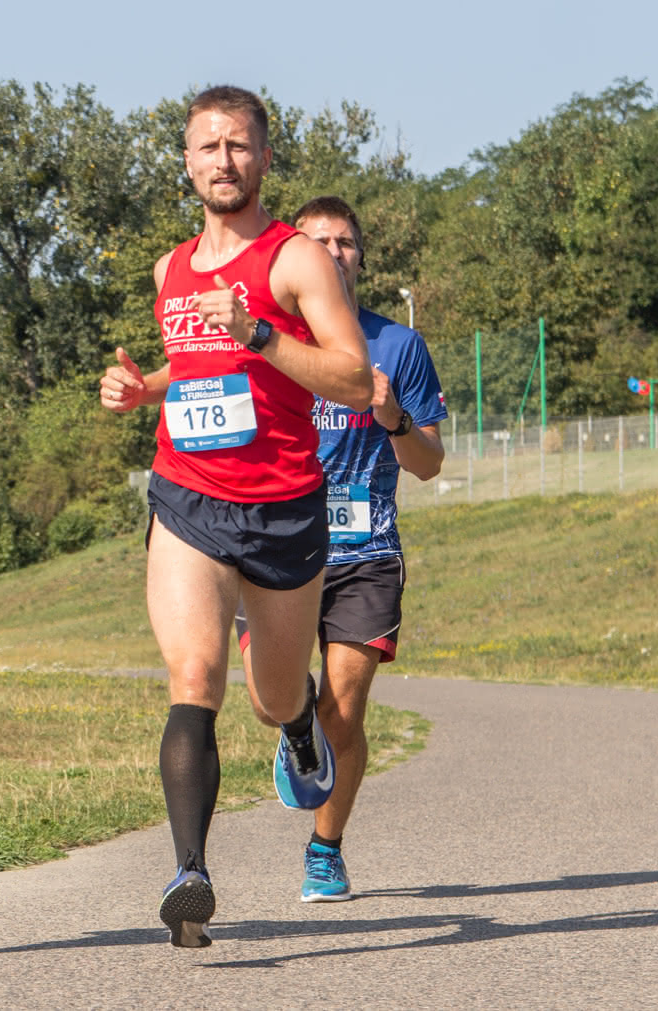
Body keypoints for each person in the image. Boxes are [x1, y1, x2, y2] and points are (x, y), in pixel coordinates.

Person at [99, 87, 373, 948]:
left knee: (269, 694)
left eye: (240, 146)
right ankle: (191, 876)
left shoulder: (296, 262)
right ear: (186, 160)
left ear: (263, 158)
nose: (223, 160)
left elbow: (355, 380)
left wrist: (259, 333)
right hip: (188, 500)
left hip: (285, 507)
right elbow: (195, 371)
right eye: (208, 146)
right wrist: (138, 387)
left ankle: (298, 723)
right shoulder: (170, 269)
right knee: (195, 676)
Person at [235, 195, 447, 903]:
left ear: (361, 257)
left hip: (366, 553)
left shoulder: (398, 347)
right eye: (317, 240)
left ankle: (325, 849)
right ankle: (294, 726)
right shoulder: (265, 341)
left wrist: (393, 416)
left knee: (346, 710)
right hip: (276, 546)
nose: (332, 252)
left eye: (346, 242)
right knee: (275, 699)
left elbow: (428, 464)